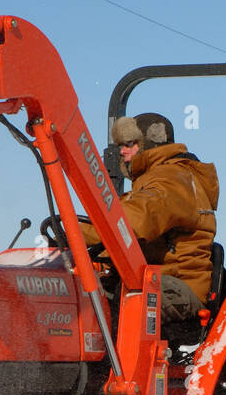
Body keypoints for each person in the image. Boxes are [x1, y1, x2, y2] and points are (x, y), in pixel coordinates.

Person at [84, 112, 218, 323]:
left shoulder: (171, 179)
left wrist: (75, 232)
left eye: (130, 143)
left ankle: (113, 356)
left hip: (177, 285)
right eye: (121, 145)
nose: (123, 151)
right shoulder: (155, 179)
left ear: (148, 144)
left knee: (120, 306)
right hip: (157, 279)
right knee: (85, 292)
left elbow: (135, 221)